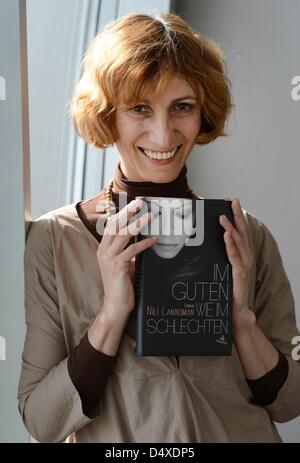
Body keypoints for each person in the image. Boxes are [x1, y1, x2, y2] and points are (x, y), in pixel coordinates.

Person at [18, 12, 300, 443]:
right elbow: (41, 421)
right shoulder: (54, 239)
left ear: (202, 111)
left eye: (181, 107)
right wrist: (111, 314)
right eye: (139, 109)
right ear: (107, 114)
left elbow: (290, 401)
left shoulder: (249, 235)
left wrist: (241, 318)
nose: (163, 134)